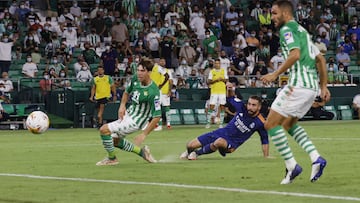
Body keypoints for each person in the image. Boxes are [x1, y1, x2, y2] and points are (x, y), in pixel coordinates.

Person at [260, 0, 330, 185]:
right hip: (310, 87)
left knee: (270, 124)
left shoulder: (287, 30)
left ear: (285, 13)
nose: (272, 17)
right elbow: (321, 59)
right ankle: (316, 158)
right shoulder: (302, 32)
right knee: (288, 126)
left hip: (298, 85)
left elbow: (295, 55)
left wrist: (275, 74)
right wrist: (323, 86)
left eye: (274, 13)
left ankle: (292, 166)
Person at [96, 58, 160, 166]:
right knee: (114, 141)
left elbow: (157, 116)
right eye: (138, 70)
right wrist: (122, 105)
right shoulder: (136, 79)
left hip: (136, 121)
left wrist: (144, 134)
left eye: (142, 71)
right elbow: (127, 92)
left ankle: (112, 159)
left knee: (104, 130)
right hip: (128, 114)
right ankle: (142, 152)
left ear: (149, 72)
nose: (139, 73)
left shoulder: (153, 91)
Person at [180, 93, 269, 160]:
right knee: (190, 145)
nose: (250, 107)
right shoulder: (241, 107)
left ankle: (197, 153)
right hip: (221, 132)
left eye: (253, 105)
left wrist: (266, 156)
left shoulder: (260, 122)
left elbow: (264, 140)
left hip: (232, 143)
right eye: (249, 104)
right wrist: (229, 89)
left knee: (219, 142)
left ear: (259, 107)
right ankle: (189, 152)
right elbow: (230, 98)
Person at [206, 58, 228, 129]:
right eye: (216, 63)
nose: (217, 64)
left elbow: (226, 80)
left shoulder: (223, 71)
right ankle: (208, 122)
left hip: (222, 91)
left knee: (222, 106)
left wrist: (222, 79)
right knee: (211, 106)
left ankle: (221, 123)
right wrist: (215, 80)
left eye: (218, 63)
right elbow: (208, 81)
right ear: (214, 64)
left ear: (220, 64)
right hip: (214, 91)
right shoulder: (212, 71)